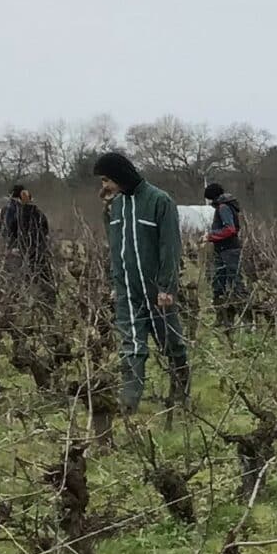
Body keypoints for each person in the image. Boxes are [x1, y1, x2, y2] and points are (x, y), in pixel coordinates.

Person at [95, 150, 190, 411]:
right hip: (127, 289)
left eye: (106, 180)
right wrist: (116, 284)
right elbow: (115, 247)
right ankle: (129, 403)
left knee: (171, 343)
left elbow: (170, 246)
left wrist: (166, 287)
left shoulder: (160, 201)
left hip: (156, 289)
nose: (104, 186)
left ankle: (182, 392)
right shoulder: (115, 206)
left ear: (120, 174)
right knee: (131, 345)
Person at [204, 180, 247, 321]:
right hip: (223, 249)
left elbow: (230, 229)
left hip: (229, 250)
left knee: (235, 282)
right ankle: (222, 318)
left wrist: (210, 236)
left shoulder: (223, 207)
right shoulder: (226, 205)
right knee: (219, 282)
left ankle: (246, 318)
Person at [0, 184, 52, 276]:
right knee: (40, 272)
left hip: (18, 246)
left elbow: (8, 229)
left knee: (15, 274)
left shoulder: (10, 210)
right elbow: (45, 229)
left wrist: (11, 243)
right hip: (37, 247)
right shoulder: (38, 213)